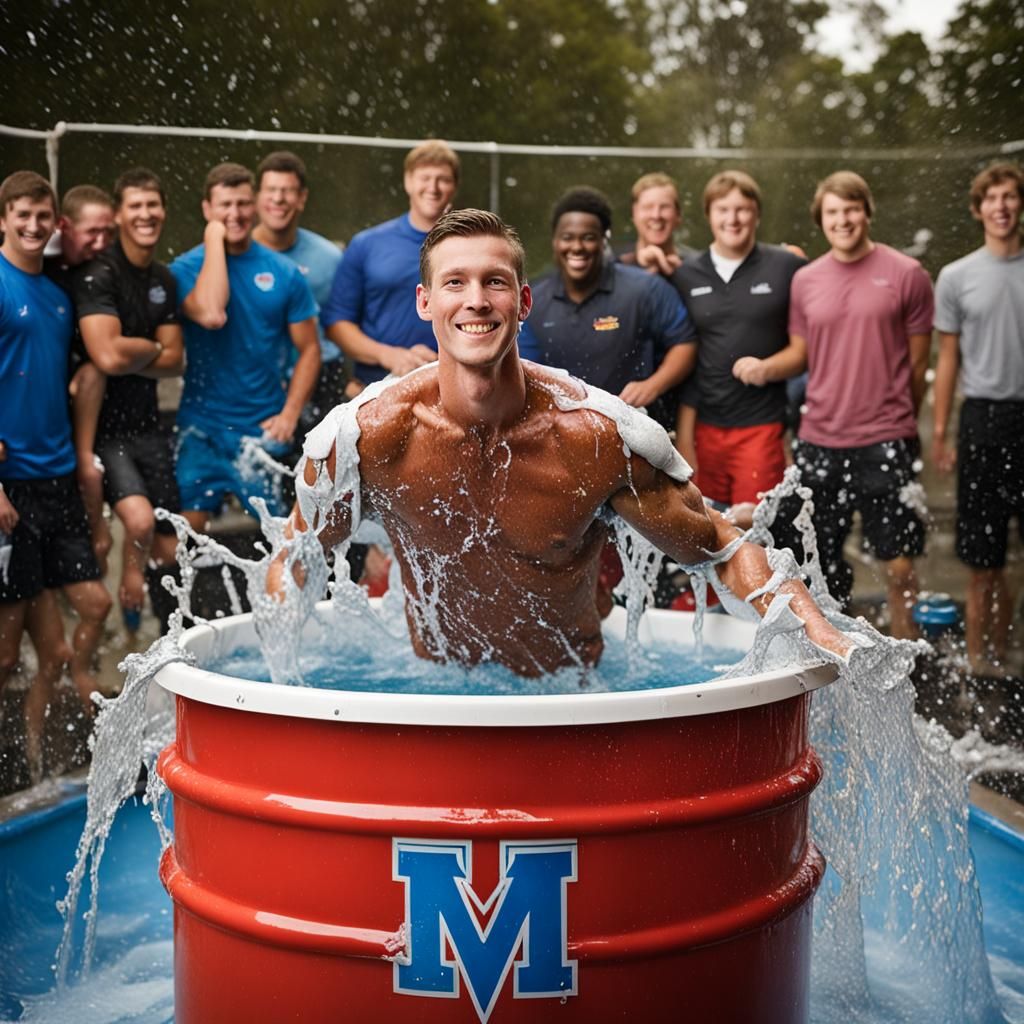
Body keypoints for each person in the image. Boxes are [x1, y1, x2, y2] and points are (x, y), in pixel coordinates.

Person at [270, 209, 852, 675]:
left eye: (494, 282)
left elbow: (720, 547)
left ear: (523, 302)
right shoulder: (368, 438)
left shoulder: (593, 438)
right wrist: (275, 677)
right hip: (438, 695)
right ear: (426, 304)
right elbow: (293, 561)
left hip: (573, 694)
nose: (475, 300)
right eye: (455, 283)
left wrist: (817, 628)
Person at [733, 171, 934, 638]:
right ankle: (832, 656)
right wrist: (765, 368)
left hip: (886, 440)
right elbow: (801, 354)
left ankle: (906, 662)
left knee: (899, 564)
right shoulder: (806, 280)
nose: (843, 220)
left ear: (867, 212)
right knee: (815, 562)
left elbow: (917, 363)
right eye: (832, 212)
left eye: (851, 209)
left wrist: (896, 423)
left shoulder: (907, 274)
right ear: (820, 220)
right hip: (820, 438)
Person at [0, 171, 112, 776]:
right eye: (22, 214)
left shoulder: (58, 297)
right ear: (3, 218)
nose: (33, 225)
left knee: (86, 611)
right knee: (5, 650)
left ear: (54, 223)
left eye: (42, 216)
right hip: (9, 484)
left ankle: (39, 757)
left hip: (56, 479)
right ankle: (13, 761)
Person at [170, 162, 320, 530]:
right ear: (207, 210)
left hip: (261, 429)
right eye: (224, 206)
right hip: (200, 428)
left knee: (282, 540)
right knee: (184, 537)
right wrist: (214, 241)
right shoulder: (184, 270)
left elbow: (311, 350)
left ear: (253, 205)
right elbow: (211, 311)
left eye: (242, 204)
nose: (234, 214)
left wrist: (289, 413)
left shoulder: (283, 272)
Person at [72, 168, 185, 633]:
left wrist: (135, 350)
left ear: (163, 211)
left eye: (152, 205)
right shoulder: (99, 274)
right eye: (135, 206)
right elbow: (104, 354)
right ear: (119, 215)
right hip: (104, 428)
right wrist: (152, 348)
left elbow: (175, 361)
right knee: (137, 522)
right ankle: (127, 587)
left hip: (148, 425)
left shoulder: (163, 278)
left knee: (170, 546)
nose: (145, 215)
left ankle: (154, 633)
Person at [932, 161, 1024, 674]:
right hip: (983, 421)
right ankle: (977, 664)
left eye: (1009, 196)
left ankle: (1008, 655)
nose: (1002, 207)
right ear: (978, 209)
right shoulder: (957, 276)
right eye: (992, 199)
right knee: (981, 560)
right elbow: (948, 359)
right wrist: (942, 432)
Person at [677, 170, 806, 512]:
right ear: (709, 215)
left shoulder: (787, 266)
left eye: (742, 209)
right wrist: (686, 437)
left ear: (757, 215)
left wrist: (768, 368)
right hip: (705, 427)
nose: (732, 219)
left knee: (756, 528)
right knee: (709, 533)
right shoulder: (685, 273)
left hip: (761, 426)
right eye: (723, 209)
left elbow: (805, 349)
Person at [518, 186, 697, 428]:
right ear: (555, 241)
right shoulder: (533, 301)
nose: (577, 246)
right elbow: (526, 372)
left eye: (588, 237)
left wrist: (653, 385)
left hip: (634, 434)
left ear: (604, 241)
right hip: (559, 436)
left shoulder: (644, 289)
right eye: (567, 237)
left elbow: (685, 343)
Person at [323, 140, 459, 389]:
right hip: (376, 387)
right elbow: (337, 323)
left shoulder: (470, 247)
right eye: (424, 177)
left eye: (443, 179)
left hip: (455, 387)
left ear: (454, 187)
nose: (433, 187)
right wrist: (389, 355)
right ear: (408, 182)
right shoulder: (367, 244)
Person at [253, 150, 346, 431]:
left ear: (302, 198)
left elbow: (343, 323)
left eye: (288, 191)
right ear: (257, 196)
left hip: (321, 380)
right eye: (271, 190)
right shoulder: (234, 255)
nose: (278, 199)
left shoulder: (330, 258)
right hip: (256, 379)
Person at [619, 172, 698, 274]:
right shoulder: (614, 264)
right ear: (634, 214)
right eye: (648, 207)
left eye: (664, 207)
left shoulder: (697, 267)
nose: (656, 215)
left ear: (678, 215)